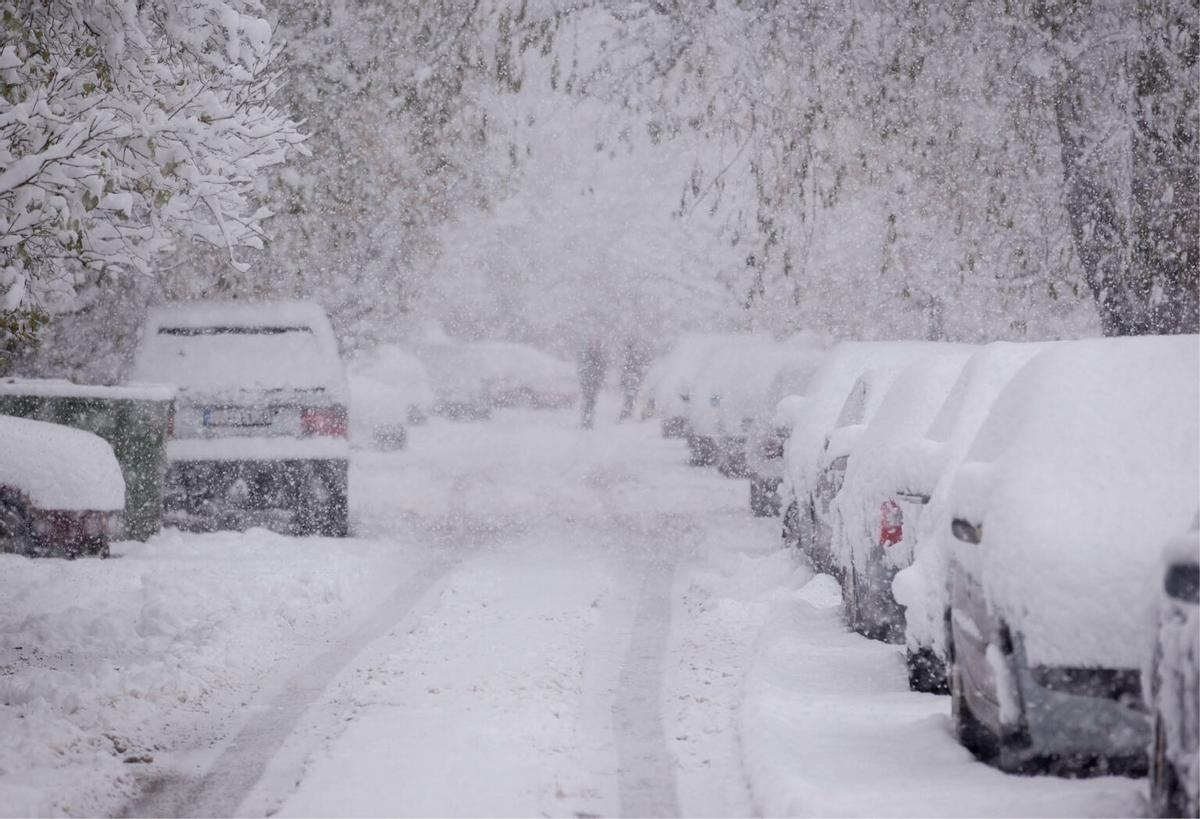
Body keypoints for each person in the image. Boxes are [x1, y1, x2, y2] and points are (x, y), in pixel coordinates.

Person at [618, 338, 651, 422]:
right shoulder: (633, 358)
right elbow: (633, 370)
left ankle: (627, 415)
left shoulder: (629, 358)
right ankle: (629, 415)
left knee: (631, 399)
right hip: (633, 382)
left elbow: (626, 371)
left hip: (632, 382)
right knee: (633, 399)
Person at [577, 338, 608, 428]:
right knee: (588, 402)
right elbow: (582, 369)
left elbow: (602, 370)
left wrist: (599, 380)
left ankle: (588, 420)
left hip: (593, 383)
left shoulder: (598, 357)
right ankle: (586, 420)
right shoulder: (587, 356)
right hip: (587, 383)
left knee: (591, 402)